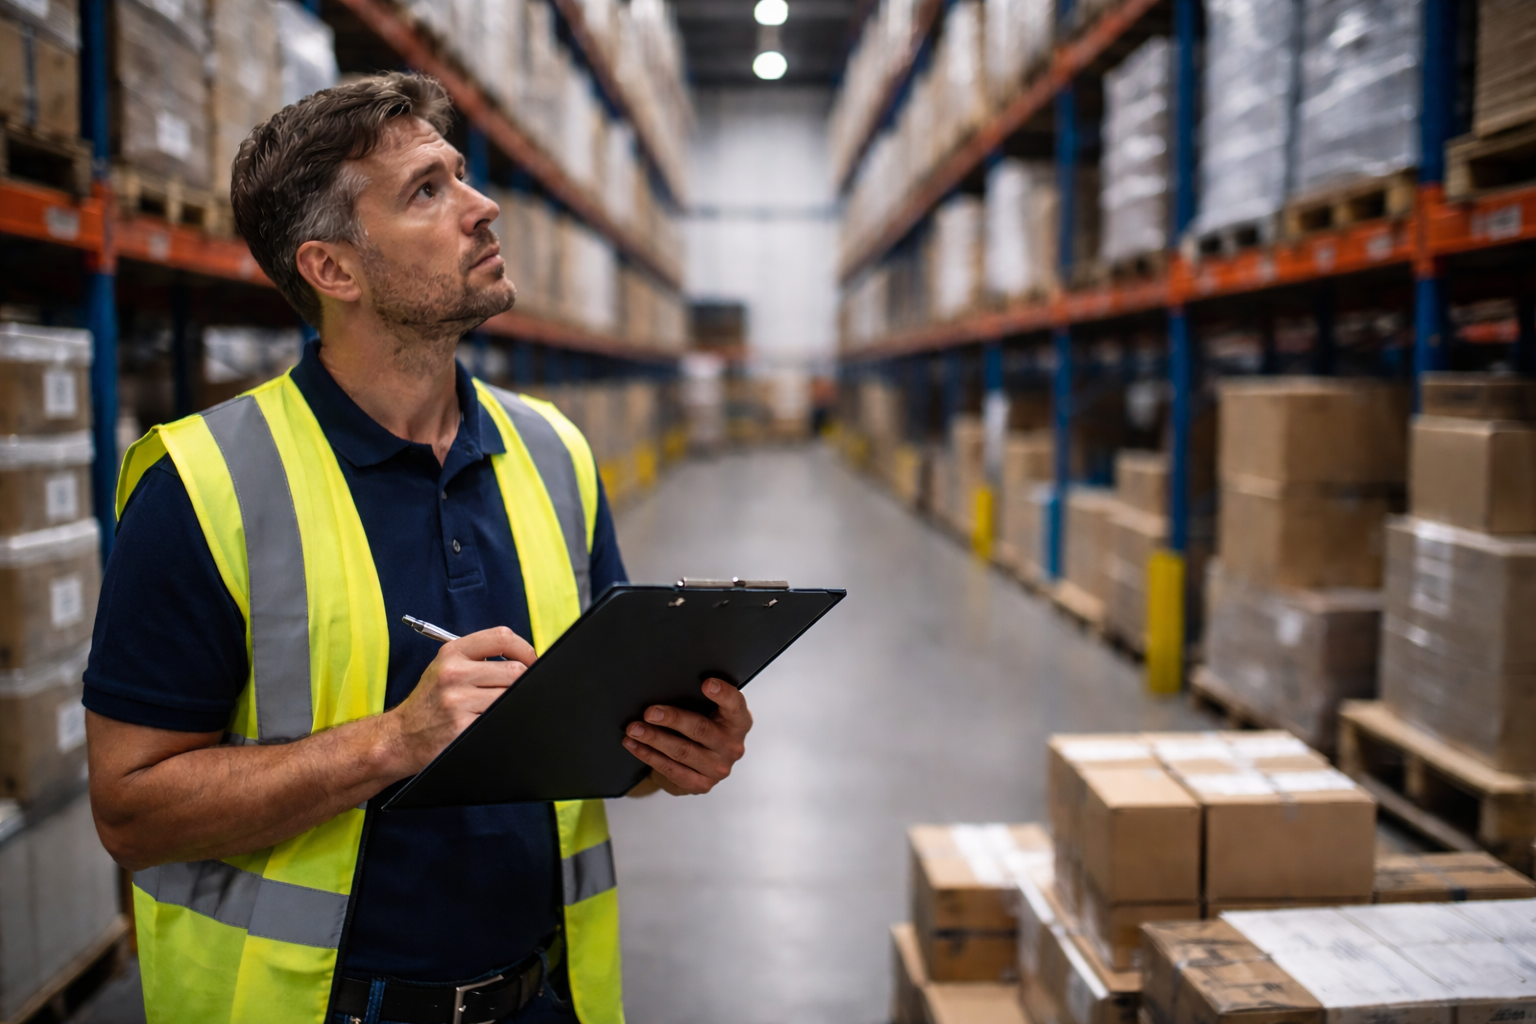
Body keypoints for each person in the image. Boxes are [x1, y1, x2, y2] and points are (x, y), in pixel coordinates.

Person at [83, 72, 752, 1024]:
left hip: (537, 998)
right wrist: (393, 741)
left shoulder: (553, 451)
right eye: (426, 192)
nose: (482, 210)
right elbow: (131, 811)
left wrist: (673, 749)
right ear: (333, 270)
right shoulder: (202, 485)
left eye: (462, 177)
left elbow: (600, 731)